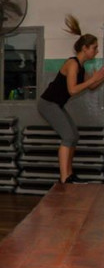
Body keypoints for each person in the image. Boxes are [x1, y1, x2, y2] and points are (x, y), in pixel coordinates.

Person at [38, 15, 104, 183]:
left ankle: (69, 173)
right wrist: (93, 78)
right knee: (68, 136)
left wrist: (101, 77)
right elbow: (73, 89)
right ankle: (64, 177)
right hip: (47, 104)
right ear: (84, 48)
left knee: (74, 135)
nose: (96, 51)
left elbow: (91, 86)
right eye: (94, 48)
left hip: (56, 105)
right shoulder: (72, 64)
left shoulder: (82, 67)